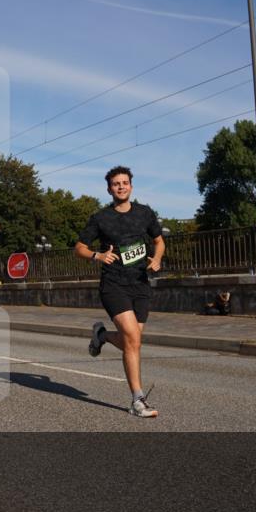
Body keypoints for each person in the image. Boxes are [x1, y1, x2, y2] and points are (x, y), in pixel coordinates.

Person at [74, 166, 165, 418]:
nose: (121, 187)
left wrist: (156, 260)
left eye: (125, 183)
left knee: (132, 341)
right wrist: (97, 255)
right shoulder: (101, 218)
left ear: (131, 186)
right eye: (116, 184)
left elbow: (159, 241)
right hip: (113, 285)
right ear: (109, 189)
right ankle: (138, 400)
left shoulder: (145, 213)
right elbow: (79, 247)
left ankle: (101, 336)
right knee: (133, 339)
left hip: (140, 284)